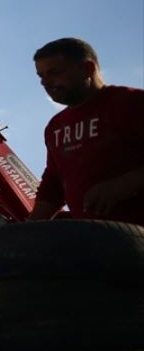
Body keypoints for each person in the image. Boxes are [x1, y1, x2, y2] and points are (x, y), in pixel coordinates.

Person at [27, 38, 144, 225]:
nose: (45, 83)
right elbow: (53, 186)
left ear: (88, 68)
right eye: (41, 76)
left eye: (54, 73)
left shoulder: (132, 103)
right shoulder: (55, 126)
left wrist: (126, 183)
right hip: (95, 243)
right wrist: (27, 231)